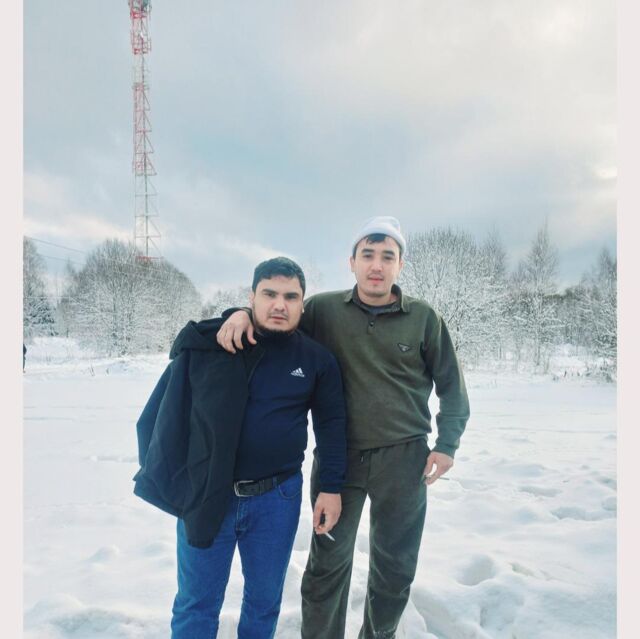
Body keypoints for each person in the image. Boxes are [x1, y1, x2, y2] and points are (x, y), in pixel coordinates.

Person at [217, 216, 471, 639]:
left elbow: (452, 387)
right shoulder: (324, 310)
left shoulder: (424, 318)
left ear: (400, 265)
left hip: (404, 459)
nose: (377, 265)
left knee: (395, 566)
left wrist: (447, 444)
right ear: (352, 262)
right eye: (367, 255)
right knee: (327, 565)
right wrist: (241, 313)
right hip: (340, 461)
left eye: (387, 256)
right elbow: (278, 317)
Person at [133, 257, 347, 639]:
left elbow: (331, 427)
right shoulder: (221, 342)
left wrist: (331, 487)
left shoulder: (317, 360)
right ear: (252, 297)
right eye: (269, 294)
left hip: (277, 499)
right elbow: (183, 346)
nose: (279, 304)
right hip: (209, 492)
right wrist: (233, 316)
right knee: (196, 604)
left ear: (302, 303)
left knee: (264, 603)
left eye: (290, 296)